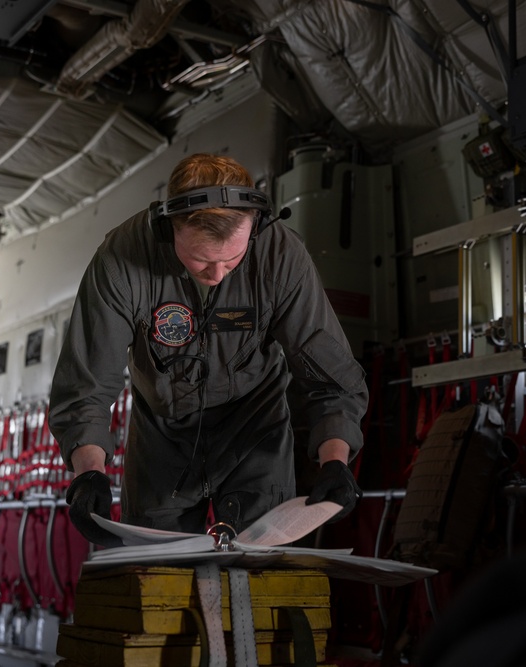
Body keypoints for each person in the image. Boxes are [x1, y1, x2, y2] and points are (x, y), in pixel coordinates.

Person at [48, 152, 369, 546]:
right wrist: (88, 472)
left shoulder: (280, 256)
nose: (217, 275)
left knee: (262, 573)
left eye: (232, 260)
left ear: (254, 228)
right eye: (201, 261)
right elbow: (87, 384)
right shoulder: (122, 260)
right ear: (169, 230)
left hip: (256, 427)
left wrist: (334, 459)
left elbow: (330, 375)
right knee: (157, 576)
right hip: (161, 437)